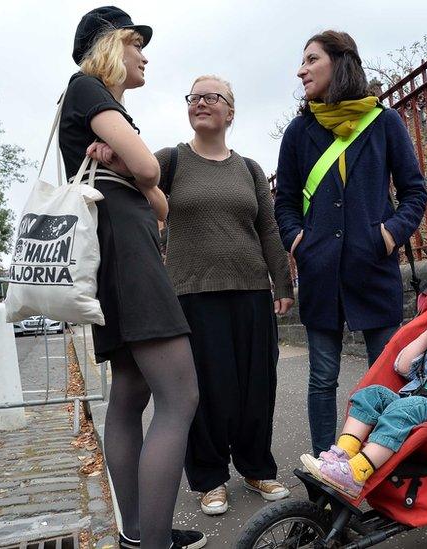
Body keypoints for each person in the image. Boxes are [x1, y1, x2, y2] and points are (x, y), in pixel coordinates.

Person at [58, 7, 204, 548]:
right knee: (180, 395)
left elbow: (160, 202)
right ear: (111, 46)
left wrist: (128, 167)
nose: (144, 55)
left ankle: (139, 533)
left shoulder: (104, 107)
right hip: (127, 256)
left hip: (114, 251)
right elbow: (151, 171)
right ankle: (154, 542)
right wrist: (133, 166)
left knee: (130, 392)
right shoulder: (86, 89)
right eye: (136, 44)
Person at [274, 30, 427, 457]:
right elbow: (284, 201)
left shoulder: (384, 121)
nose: (300, 70)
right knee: (322, 377)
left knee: (387, 375)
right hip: (321, 273)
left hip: (374, 270)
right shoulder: (299, 132)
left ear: (340, 62)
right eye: (301, 62)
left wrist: (390, 234)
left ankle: (381, 467)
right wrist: (297, 239)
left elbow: (416, 191)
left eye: (311, 60)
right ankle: (327, 469)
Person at [153, 75, 295, 516]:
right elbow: (129, 178)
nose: (200, 102)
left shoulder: (250, 169)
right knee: (207, 392)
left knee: (258, 386)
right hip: (193, 295)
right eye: (193, 96)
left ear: (230, 112)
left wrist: (283, 285)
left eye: (211, 96)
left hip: (252, 292)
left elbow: (268, 228)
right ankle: (210, 479)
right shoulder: (170, 160)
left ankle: (256, 467)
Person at [299, 278, 427, 497]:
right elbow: (402, 366)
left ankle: (357, 473)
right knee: (370, 394)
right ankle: (344, 454)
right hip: (412, 401)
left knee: (407, 406)